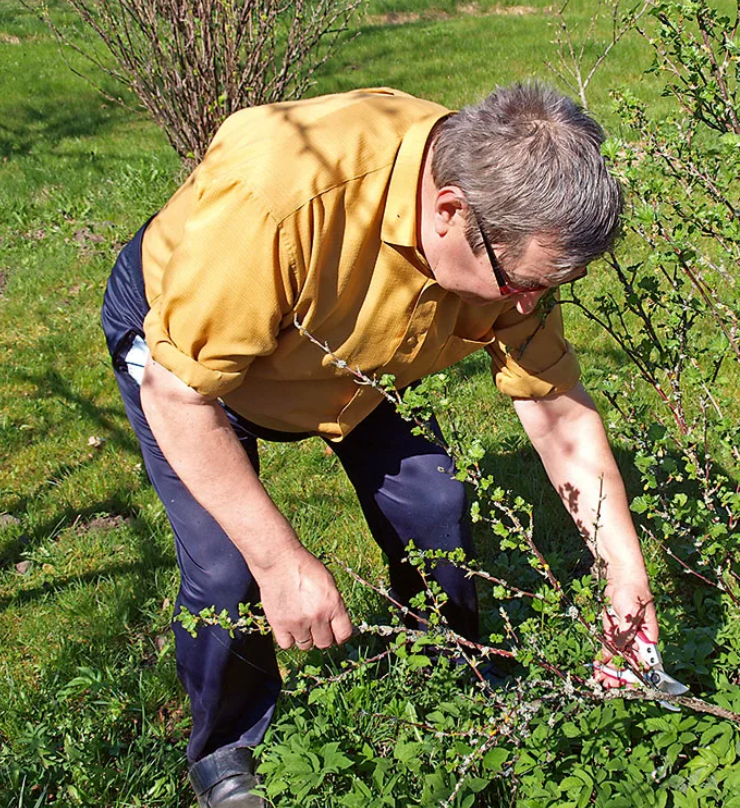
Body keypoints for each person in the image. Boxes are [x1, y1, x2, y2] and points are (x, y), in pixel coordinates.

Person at [101, 83, 659, 808]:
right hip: (197, 355)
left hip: (356, 357)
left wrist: (623, 576)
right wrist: (282, 560)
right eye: (523, 286)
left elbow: (556, 410)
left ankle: (451, 685)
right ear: (451, 211)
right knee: (230, 568)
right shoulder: (278, 198)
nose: (530, 307)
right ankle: (226, 753)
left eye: (553, 285)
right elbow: (180, 397)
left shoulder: (510, 224)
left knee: (434, 501)